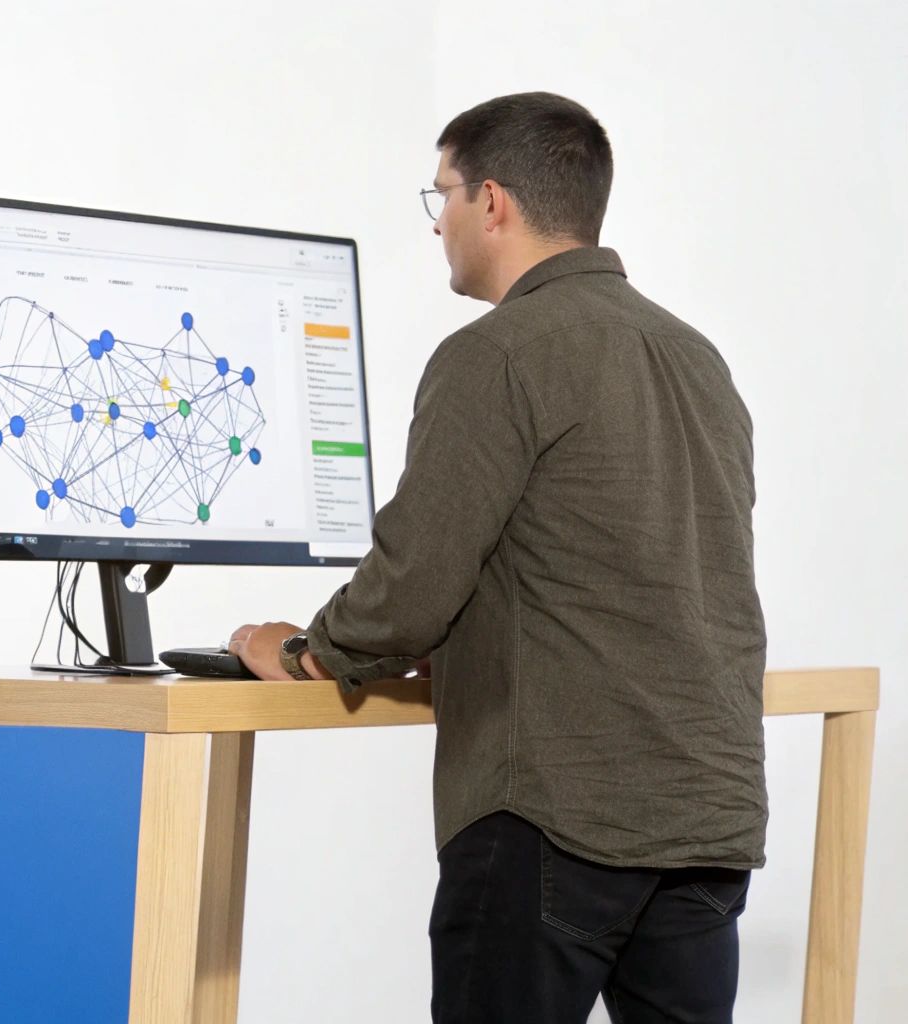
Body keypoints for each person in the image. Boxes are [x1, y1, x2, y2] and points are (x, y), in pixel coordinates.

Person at [228, 92, 766, 1023]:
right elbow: (638, 562)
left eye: (441, 194)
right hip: (704, 815)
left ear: (493, 201)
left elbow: (413, 585)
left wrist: (304, 651)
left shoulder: (499, 353)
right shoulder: (696, 357)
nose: (436, 222)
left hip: (555, 812)